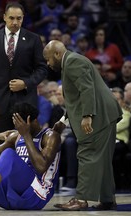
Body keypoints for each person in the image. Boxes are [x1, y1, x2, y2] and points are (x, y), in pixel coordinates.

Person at [43, 40, 122, 210]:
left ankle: (81, 199)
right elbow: (76, 98)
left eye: (48, 59)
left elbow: (87, 89)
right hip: (105, 113)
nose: (48, 64)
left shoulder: (72, 62)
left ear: (57, 54)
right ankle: (108, 199)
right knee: (102, 159)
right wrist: (63, 121)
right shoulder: (71, 61)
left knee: (87, 153)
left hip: (98, 115)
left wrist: (88, 115)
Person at [0, 2, 47, 133]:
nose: (15, 22)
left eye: (19, 18)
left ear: (23, 18)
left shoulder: (34, 39)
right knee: (2, 147)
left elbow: (42, 69)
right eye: (11, 18)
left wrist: (26, 83)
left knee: (26, 147)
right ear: (4, 17)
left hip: (26, 102)